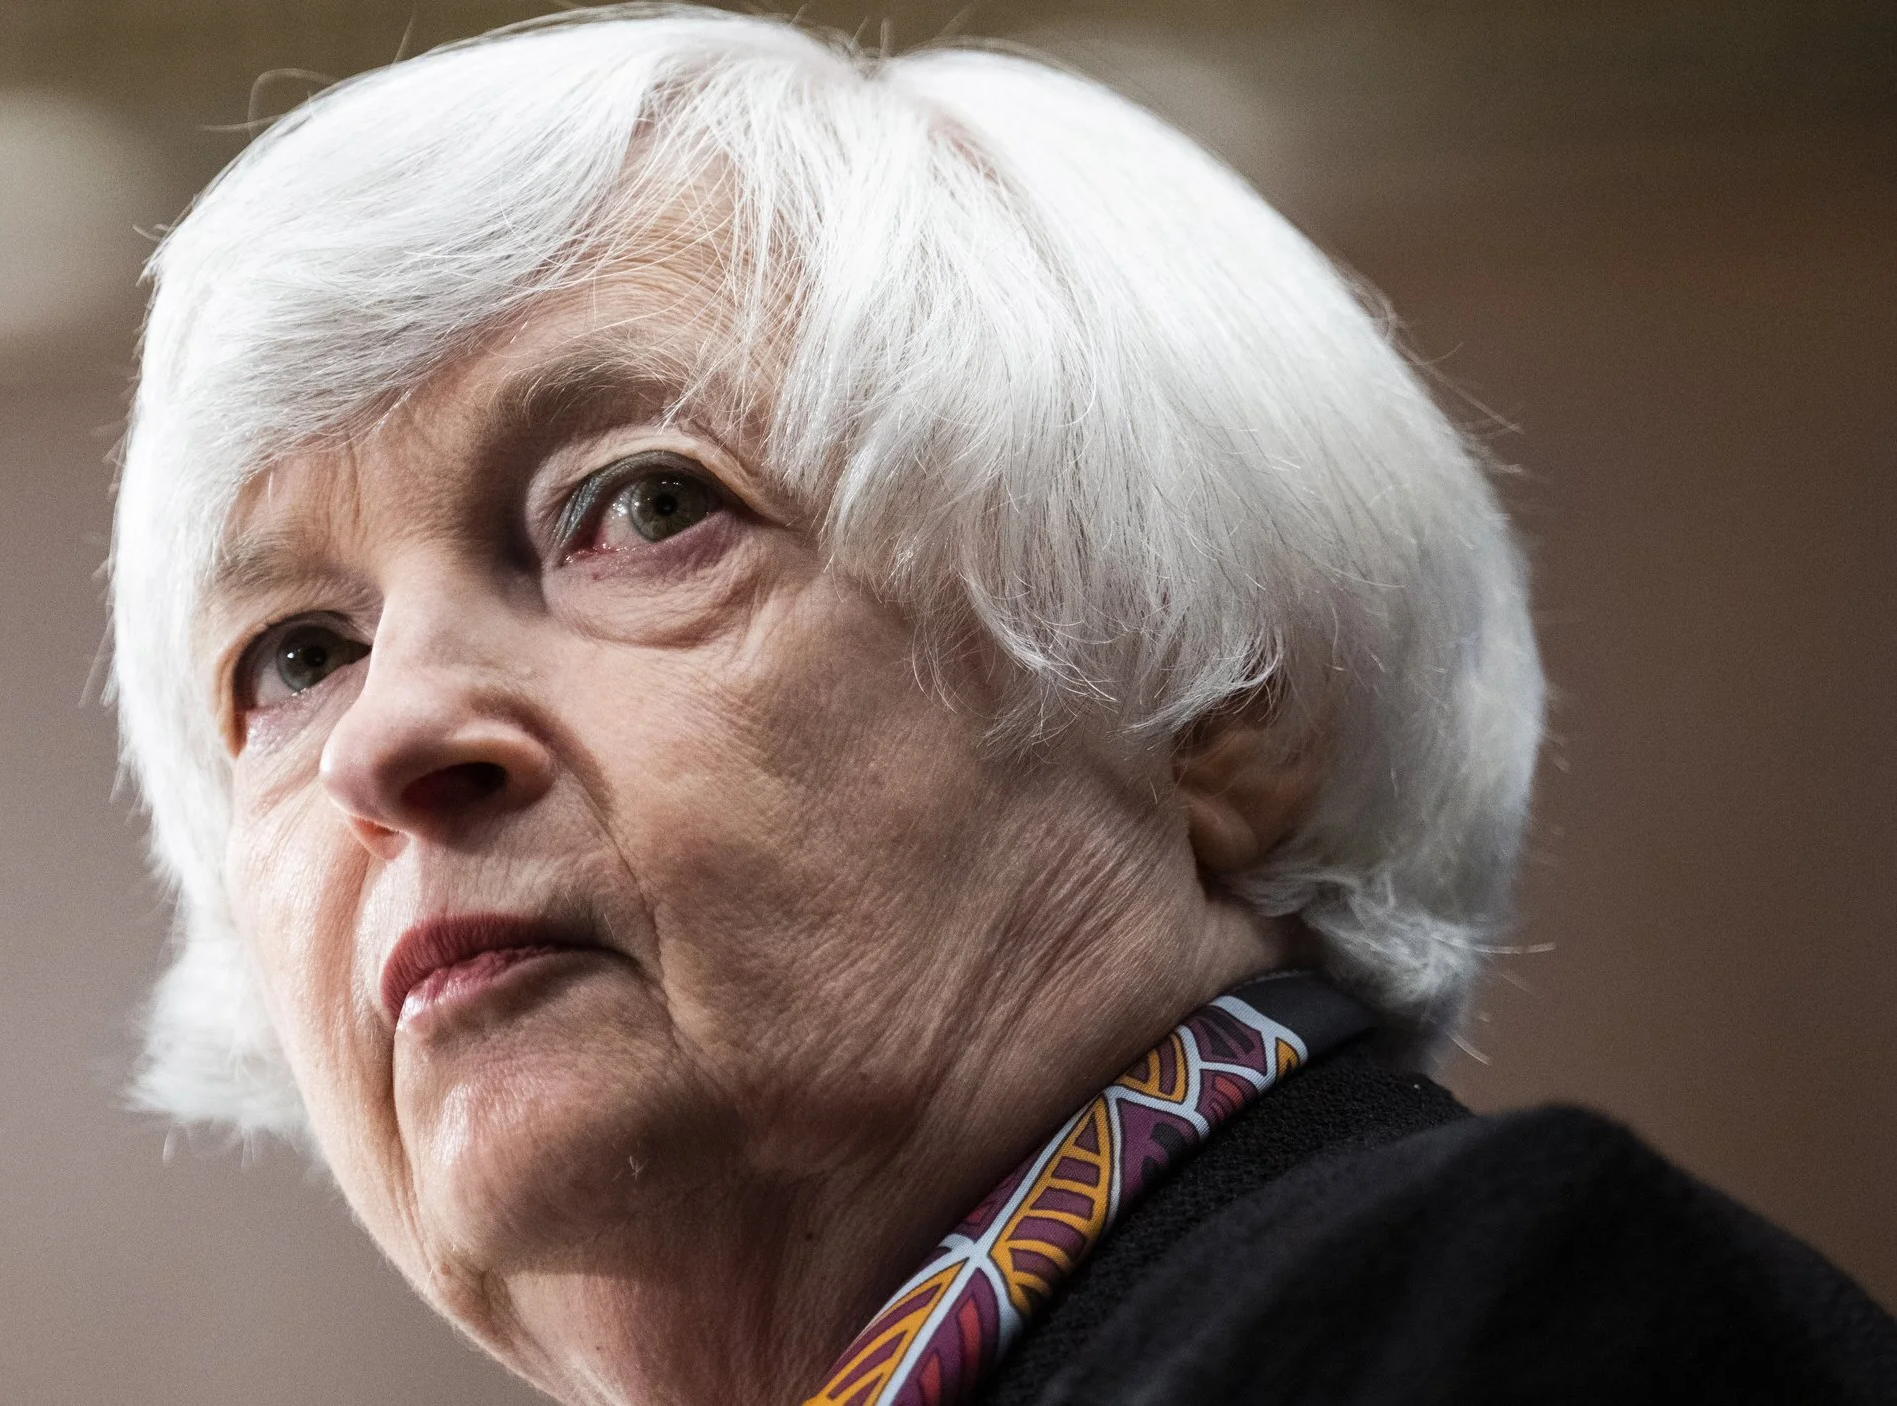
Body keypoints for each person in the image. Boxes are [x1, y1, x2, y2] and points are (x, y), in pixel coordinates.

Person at [105, 9, 1897, 1403]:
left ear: (1212, 697)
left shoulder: (1486, 1324)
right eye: (295, 653)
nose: (385, 738)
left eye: (645, 507)